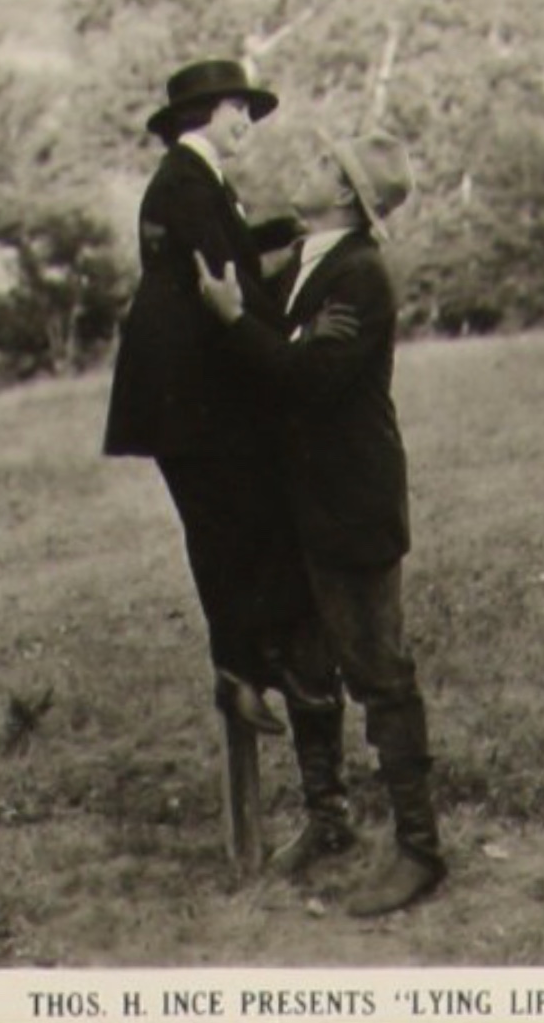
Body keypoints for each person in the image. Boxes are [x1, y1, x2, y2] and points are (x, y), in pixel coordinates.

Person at [193, 131, 447, 918]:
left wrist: (235, 320)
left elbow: (307, 379)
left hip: (351, 503)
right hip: (303, 503)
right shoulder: (308, 256)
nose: (300, 168)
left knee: (378, 671)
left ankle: (419, 850)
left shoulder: (361, 274)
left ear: (343, 192)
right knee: (307, 662)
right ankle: (328, 820)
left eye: (316, 163)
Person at [103, 58, 329, 737]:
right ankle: (242, 670)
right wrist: (285, 327)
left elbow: (224, 246)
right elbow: (223, 282)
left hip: (186, 392)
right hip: (186, 396)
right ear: (208, 114)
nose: (248, 127)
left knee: (235, 520)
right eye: (241, 114)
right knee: (225, 524)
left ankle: (256, 662)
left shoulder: (196, 181)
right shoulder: (188, 183)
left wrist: (288, 231)